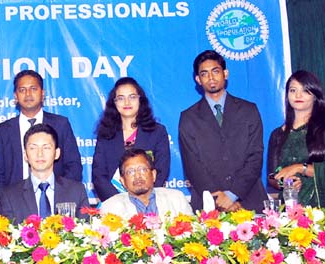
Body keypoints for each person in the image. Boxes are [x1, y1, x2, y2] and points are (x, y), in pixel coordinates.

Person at [179, 50, 266, 212]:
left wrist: (233, 194)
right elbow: (192, 165)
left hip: (250, 200)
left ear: (225, 74)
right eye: (204, 74)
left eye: (216, 71)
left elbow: (255, 156)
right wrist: (220, 199)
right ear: (198, 80)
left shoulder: (249, 110)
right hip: (210, 204)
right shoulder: (188, 117)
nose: (211, 78)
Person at [267, 70, 325, 211]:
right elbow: (271, 177)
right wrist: (287, 183)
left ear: (315, 96)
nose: (298, 95)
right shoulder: (277, 134)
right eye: (293, 90)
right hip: (290, 211)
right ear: (287, 95)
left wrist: (301, 168)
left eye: (305, 91)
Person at [0, 70, 82, 196]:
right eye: (22, 90)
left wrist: (62, 193)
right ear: (15, 96)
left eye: (33, 88)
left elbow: (73, 165)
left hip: (55, 197)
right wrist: (5, 200)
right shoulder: (4, 130)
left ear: (43, 93)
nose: (28, 94)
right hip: (15, 201)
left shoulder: (61, 124)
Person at [0, 124, 89, 224]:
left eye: (46, 148)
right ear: (25, 155)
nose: (40, 154)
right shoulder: (9, 196)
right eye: (33, 148)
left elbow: (86, 232)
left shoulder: (76, 191)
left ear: (57, 153)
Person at [93, 77, 170, 202]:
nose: (127, 102)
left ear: (141, 100)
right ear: (114, 103)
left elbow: (161, 172)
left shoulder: (157, 132)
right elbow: (99, 176)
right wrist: (119, 203)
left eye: (132, 97)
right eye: (121, 98)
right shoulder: (106, 135)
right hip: (115, 206)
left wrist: (145, 200)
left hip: (149, 203)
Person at [100, 148, 193, 219]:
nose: (137, 176)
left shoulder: (176, 199)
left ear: (153, 174)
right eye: (130, 172)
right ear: (122, 181)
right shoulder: (110, 208)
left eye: (143, 169)